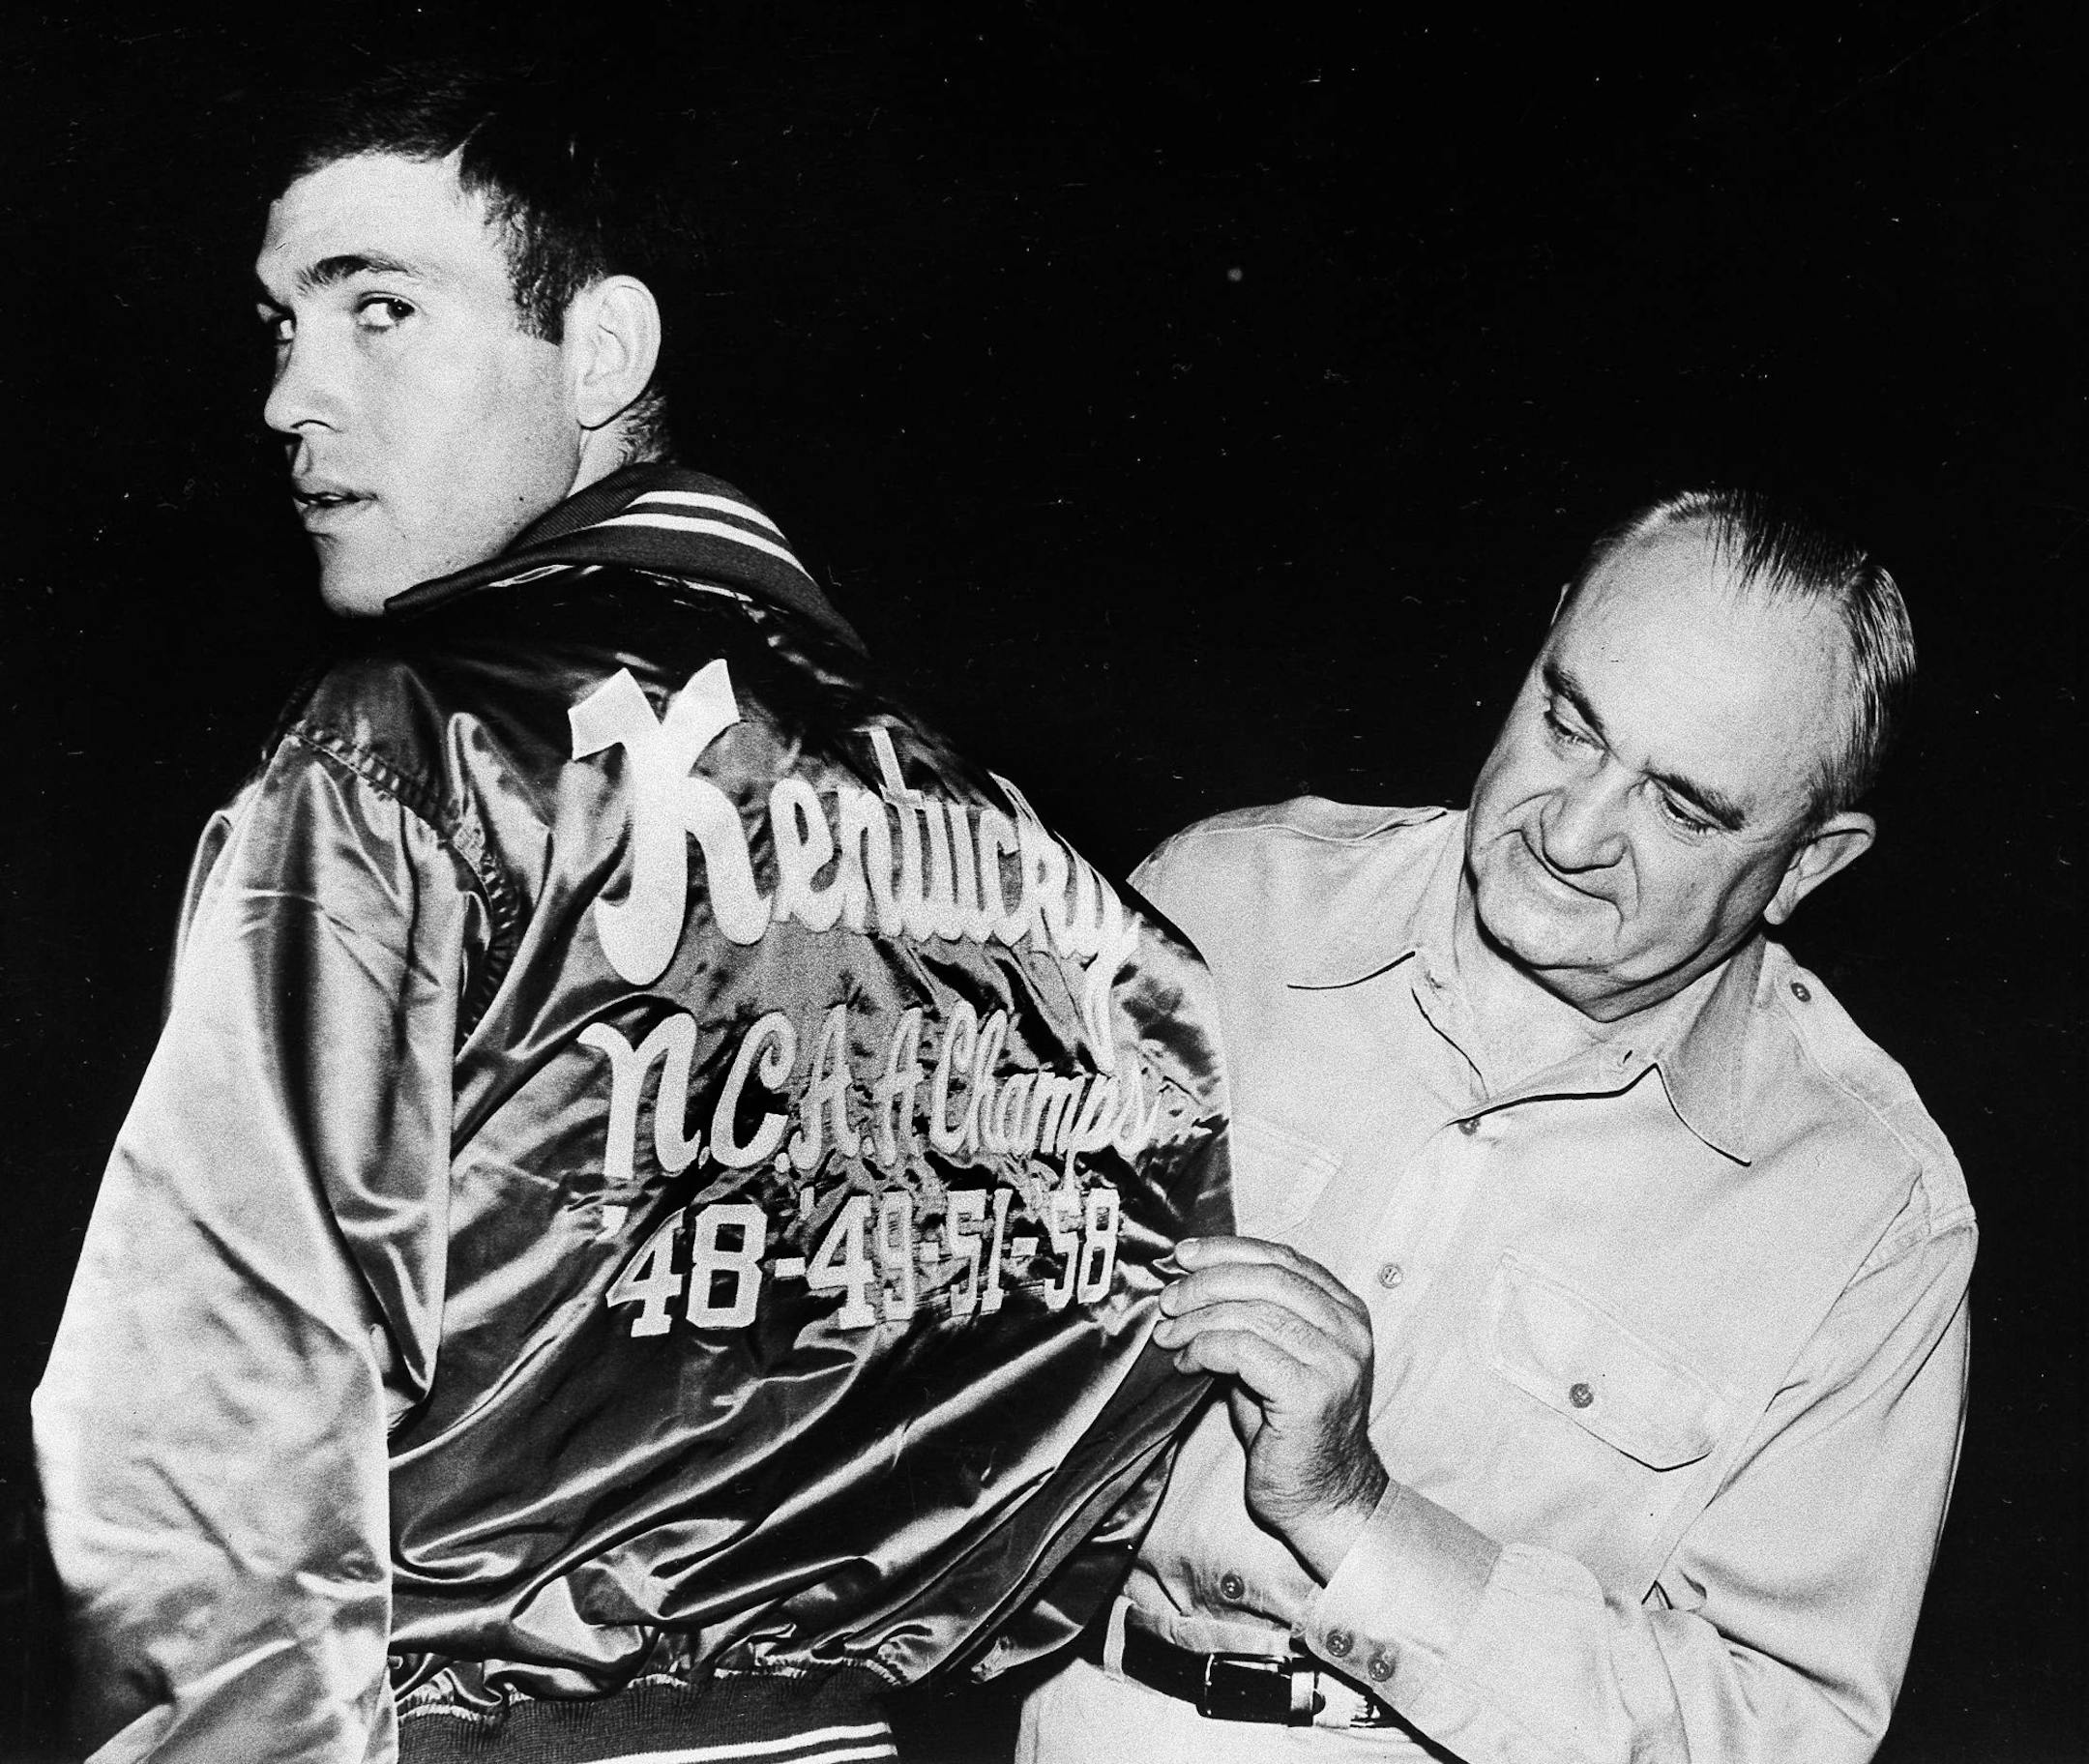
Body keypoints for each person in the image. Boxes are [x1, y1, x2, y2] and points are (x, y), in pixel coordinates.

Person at [32, 65, 1231, 1764]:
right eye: (282, 325)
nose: (292, 395)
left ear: (600, 356)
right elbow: (1097, 1439)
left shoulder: (413, 747)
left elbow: (208, 1435)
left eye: (381, 310)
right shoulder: (1059, 889)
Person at [1021, 490, 1976, 1762]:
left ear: (1809, 862)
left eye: (1681, 809)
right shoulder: (1220, 907)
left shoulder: (1869, 1211)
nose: (1571, 832)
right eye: (1568, 725)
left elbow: (1778, 1731)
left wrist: (1360, 1516)